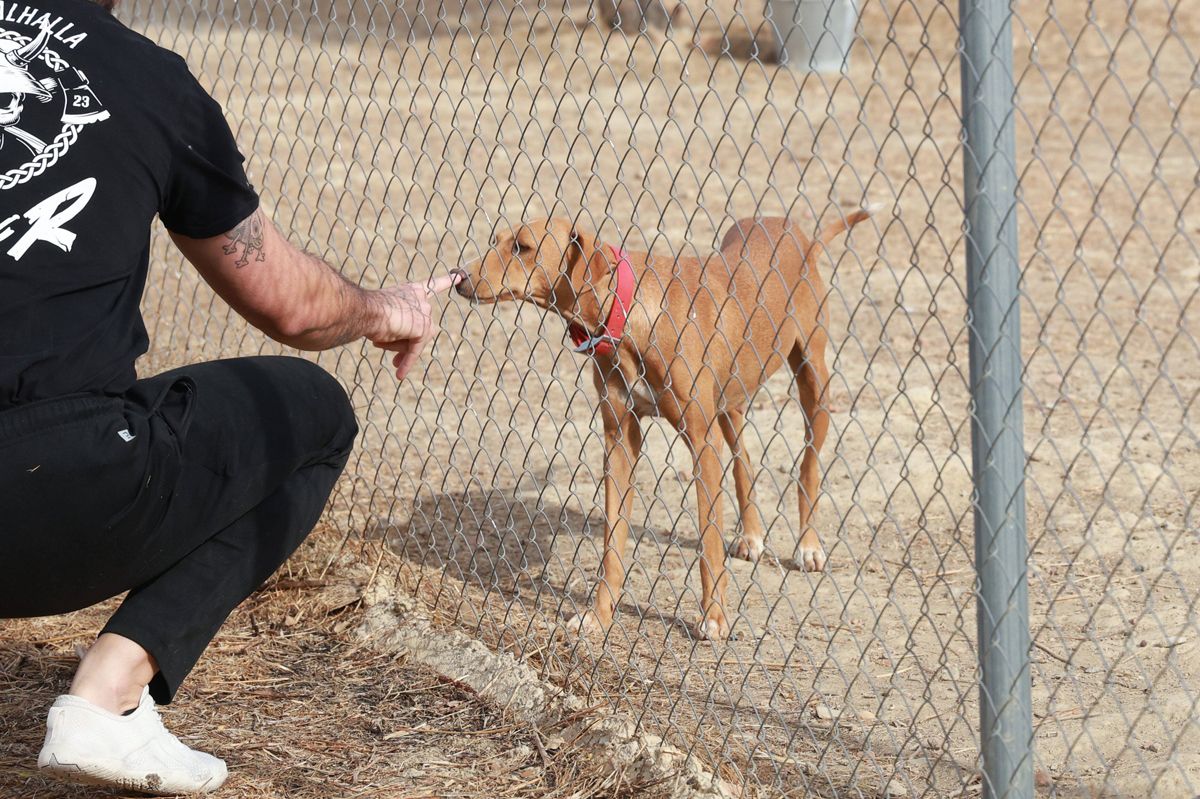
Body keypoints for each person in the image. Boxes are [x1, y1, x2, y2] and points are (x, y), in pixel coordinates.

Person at [0, 0, 459, 793]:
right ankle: (109, 693)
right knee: (314, 417)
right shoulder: (144, 78)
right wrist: (384, 308)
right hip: (57, 493)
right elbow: (291, 306)